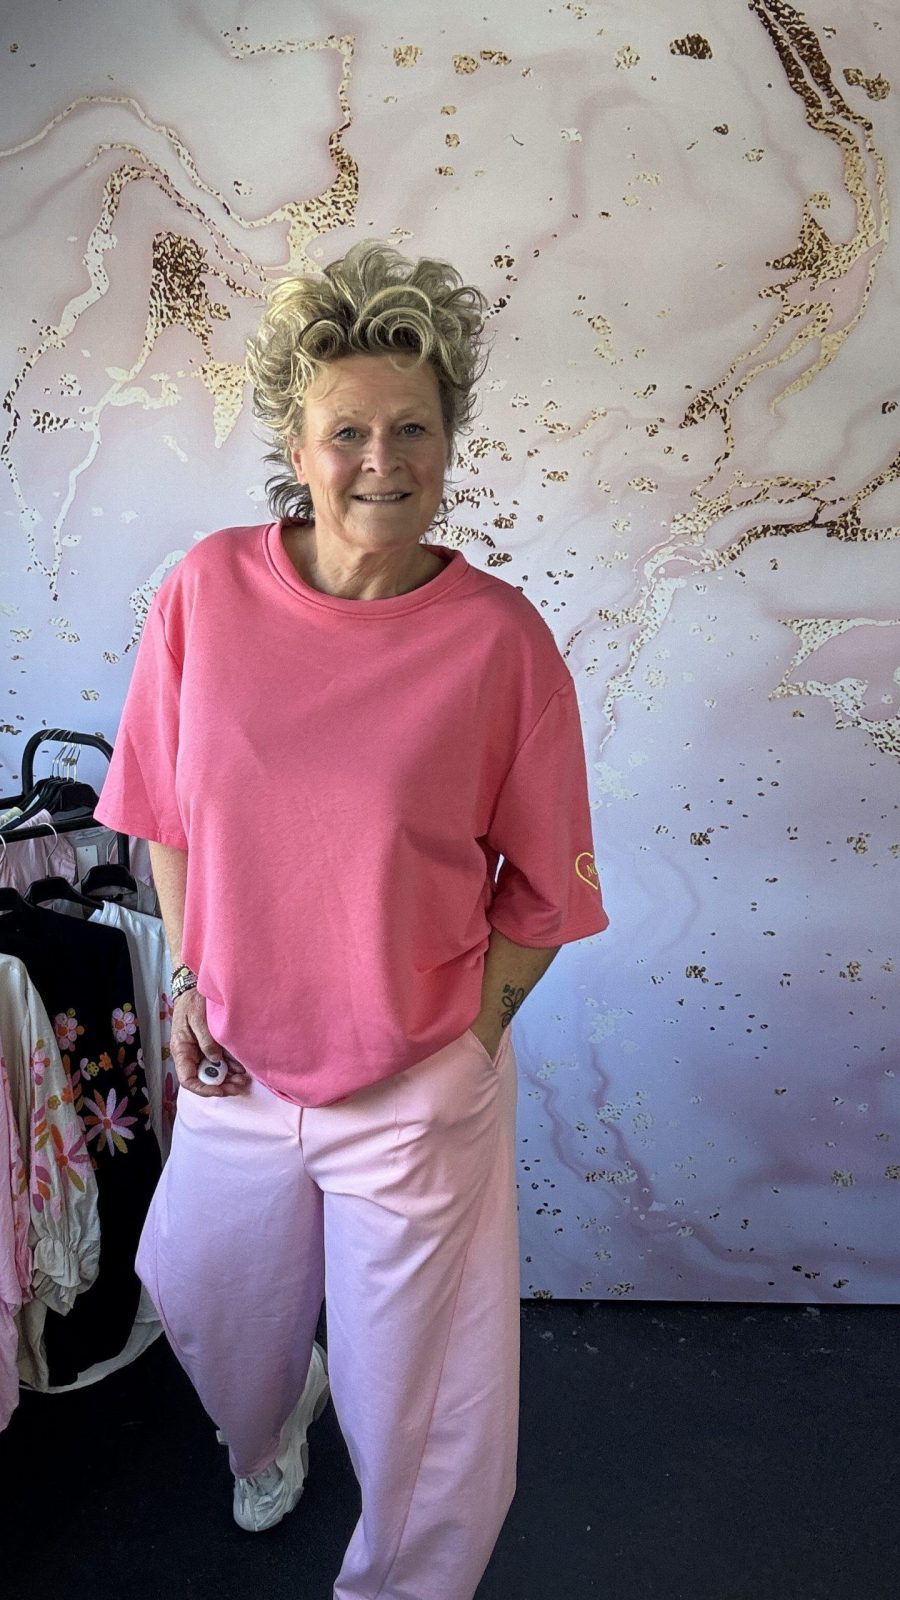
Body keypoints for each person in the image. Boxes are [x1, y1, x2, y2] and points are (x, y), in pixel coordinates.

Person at [94, 240, 610, 1600]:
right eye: (349, 432)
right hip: (239, 1062)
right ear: (296, 446)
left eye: (413, 428)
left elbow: (546, 890)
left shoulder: (500, 642)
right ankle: (266, 1434)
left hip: (414, 1077)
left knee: (421, 1410)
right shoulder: (207, 590)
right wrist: (192, 980)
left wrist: (470, 1049)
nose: (383, 460)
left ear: (448, 441)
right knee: (202, 1296)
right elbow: (164, 814)